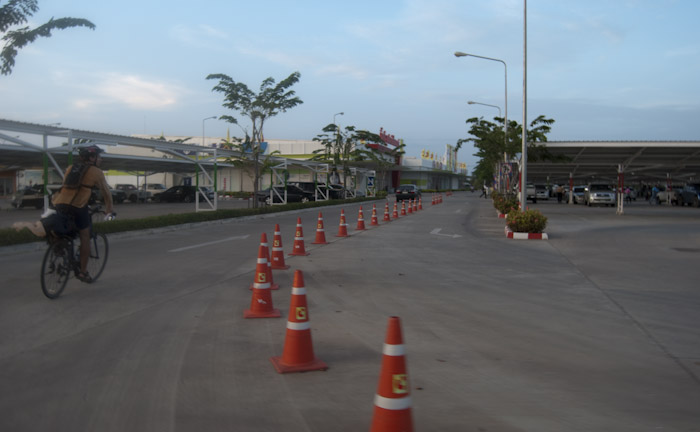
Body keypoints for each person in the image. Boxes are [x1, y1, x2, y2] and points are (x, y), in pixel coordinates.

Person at [52, 145, 114, 282]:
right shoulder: (96, 172)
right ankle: (83, 272)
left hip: (60, 203)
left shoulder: (70, 168)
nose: (101, 160)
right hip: (78, 206)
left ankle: (59, 244)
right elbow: (106, 192)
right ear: (92, 158)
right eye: (99, 157)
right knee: (85, 236)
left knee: (64, 226)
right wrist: (109, 209)